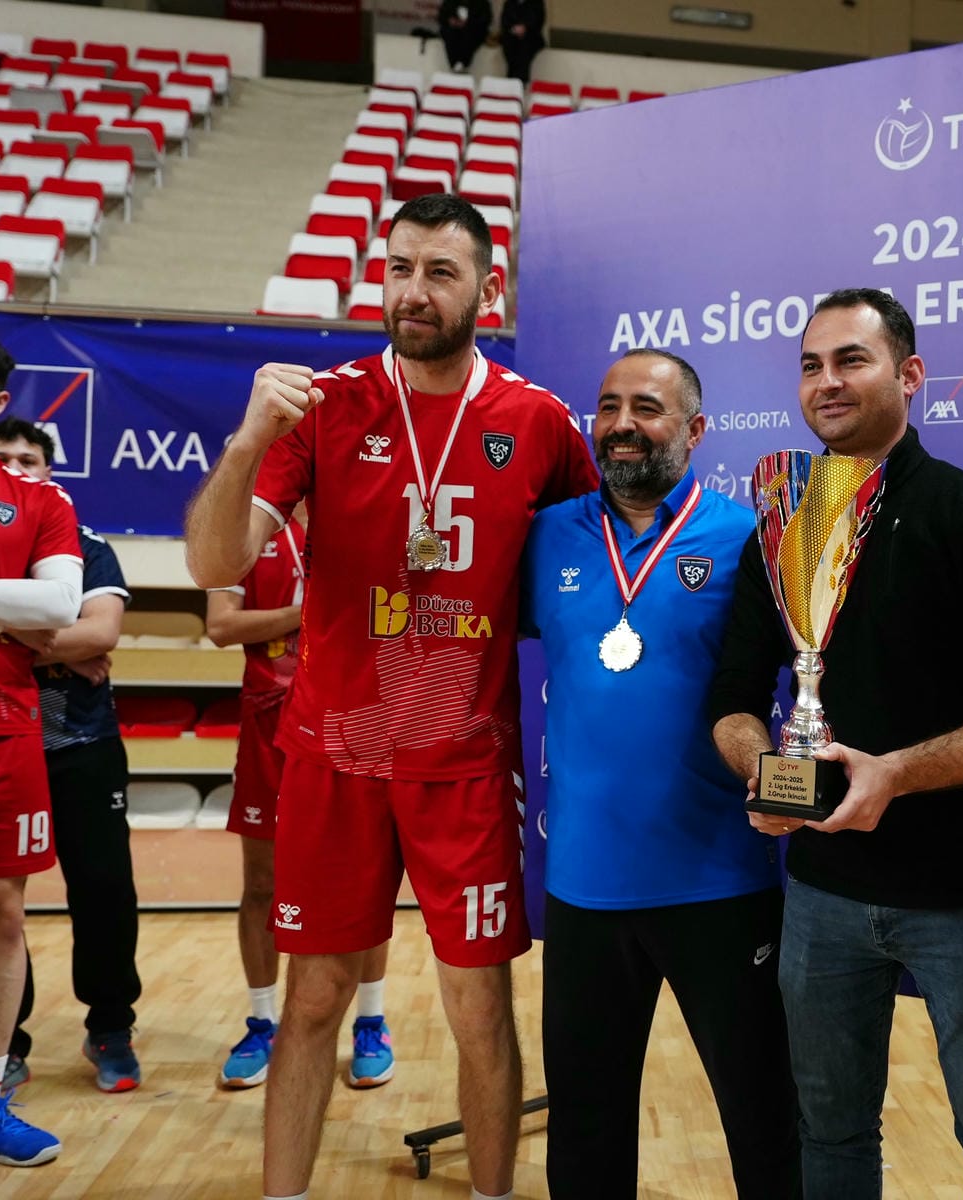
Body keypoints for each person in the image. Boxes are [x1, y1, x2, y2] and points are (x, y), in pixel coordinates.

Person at [183, 193, 599, 1200]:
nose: (414, 290)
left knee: (479, 1006)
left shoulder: (538, 422)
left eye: (440, 272)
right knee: (313, 997)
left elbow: (589, 579)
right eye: (399, 267)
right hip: (336, 758)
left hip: (464, 766)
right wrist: (245, 441)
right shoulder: (322, 405)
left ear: (488, 290)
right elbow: (213, 562)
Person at [709, 288, 963, 1199]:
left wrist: (894, 775)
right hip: (822, 895)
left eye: (851, 360)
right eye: (811, 365)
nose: (827, 381)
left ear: (909, 376)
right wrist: (765, 772)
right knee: (828, 1135)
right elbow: (733, 697)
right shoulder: (783, 527)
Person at [521, 349, 800, 1198]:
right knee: (585, 1132)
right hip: (583, 889)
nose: (621, 425)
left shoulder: (750, 538)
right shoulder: (546, 534)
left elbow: (812, 674)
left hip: (720, 882)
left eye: (646, 407)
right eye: (608, 407)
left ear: (696, 429)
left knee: (765, 1119)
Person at [204, 512, 396, 1091]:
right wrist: (309, 611)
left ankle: (371, 1022)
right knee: (262, 882)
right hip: (269, 721)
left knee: (363, 880)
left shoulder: (366, 514)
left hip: (352, 718)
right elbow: (221, 625)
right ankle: (262, 1023)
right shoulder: (245, 526)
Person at [0, 418, 140, 1096]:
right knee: (3, 906)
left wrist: (15, 634)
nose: (16, 467)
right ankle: (10, 1042)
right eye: (4, 457)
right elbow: (74, 636)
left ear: (48, 471)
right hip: (7, 739)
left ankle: (110, 1027)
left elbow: (101, 631)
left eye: (29, 459)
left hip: (81, 744)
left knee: (104, 890)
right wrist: (57, 638)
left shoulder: (87, 544)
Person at [0, 342, 82, 1167]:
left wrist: (25, 609)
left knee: (5, 913)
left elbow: (58, 604)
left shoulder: (40, 500)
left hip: (7, 721)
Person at [438, 0, 492, 72]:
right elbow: (442, 16)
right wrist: (451, 20)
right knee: (450, 35)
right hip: (453, 30)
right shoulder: (450, 1)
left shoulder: (482, 2)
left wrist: (468, 23)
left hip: (473, 30)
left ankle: (462, 63)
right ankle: (455, 64)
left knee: (469, 36)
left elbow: (485, 19)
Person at [498, 0, 544, 84]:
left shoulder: (537, 3)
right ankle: (511, 80)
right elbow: (504, 21)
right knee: (510, 50)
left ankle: (520, 81)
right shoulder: (509, 3)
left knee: (523, 54)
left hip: (530, 37)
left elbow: (538, 21)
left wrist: (525, 28)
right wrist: (513, 29)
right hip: (511, 36)